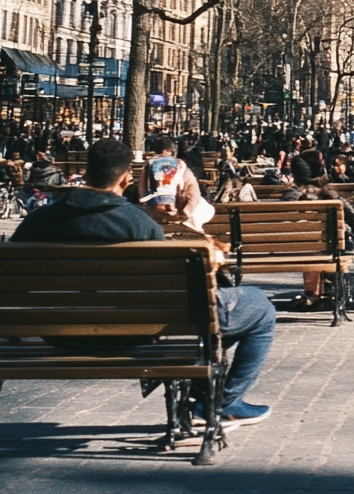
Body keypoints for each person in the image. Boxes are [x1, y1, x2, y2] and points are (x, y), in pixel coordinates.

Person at [12, 138, 276, 425]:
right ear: (126, 179)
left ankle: (204, 391)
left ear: (84, 175)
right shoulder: (139, 224)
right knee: (260, 308)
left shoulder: (38, 221)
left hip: (57, 334)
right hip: (132, 336)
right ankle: (224, 402)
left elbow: (13, 284)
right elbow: (168, 293)